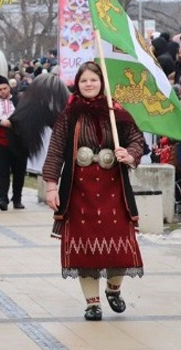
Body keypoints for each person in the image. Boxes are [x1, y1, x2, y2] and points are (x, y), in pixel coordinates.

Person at [42, 61, 144, 321]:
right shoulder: (70, 114)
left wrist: (129, 154)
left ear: (102, 83)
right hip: (79, 188)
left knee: (119, 246)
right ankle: (92, 303)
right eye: (84, 80)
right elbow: (55, 150)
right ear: (78, 83)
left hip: (114, 188)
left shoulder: (117, 111)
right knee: (84, 248)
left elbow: (136, 139)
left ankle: (113, 289)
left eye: (94, 80)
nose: (89, 84)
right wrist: (51, 186)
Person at [0, 75, 27, 210]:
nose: (3, 91)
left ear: (9, 88)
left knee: (19, 172)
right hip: (0, 143)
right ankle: (3, 198)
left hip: (19, 142)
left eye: (5, 88)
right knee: (2, 172)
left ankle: (17, 199)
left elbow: (26, 117)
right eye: (0, 89)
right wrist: (0, 122)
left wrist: (13, 122)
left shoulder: (20, 101)